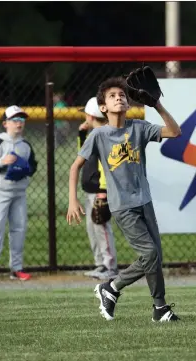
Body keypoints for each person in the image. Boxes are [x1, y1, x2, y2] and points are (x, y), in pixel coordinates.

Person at [67, 77, 182, 322]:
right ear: (103, 108)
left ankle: (160, 308)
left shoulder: (138, 127)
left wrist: (157, 106)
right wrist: (73, 200)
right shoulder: (98, 135)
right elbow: (75, 167)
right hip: (123, 205)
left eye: (122, 95)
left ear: (128, 104)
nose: (119, 97)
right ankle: (112, 287)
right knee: (150, 255)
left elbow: (174, 131)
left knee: (155, 258)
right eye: (112, 96)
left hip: (145, 200)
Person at [0, 105, 38, 281]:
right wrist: (3, 162)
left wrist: (25, 169)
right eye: (15, 120)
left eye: (22, 120)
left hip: (20, 192)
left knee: (19, 228)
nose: (19, 124)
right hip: (1, 192)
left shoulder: (25, 145)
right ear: (5, 123)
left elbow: (33, 165)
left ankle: (16, 268)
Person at [78, 97, 118, 280]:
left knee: (101, 227)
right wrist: (81, 135)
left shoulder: (103, 135)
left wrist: (103, 189)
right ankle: (100, 264)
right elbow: (83, 155)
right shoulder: (93, 135)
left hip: (99, 190)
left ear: (90, 115)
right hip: (90, 190)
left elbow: (105, 164)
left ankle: (110, 266)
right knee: (92, 228)